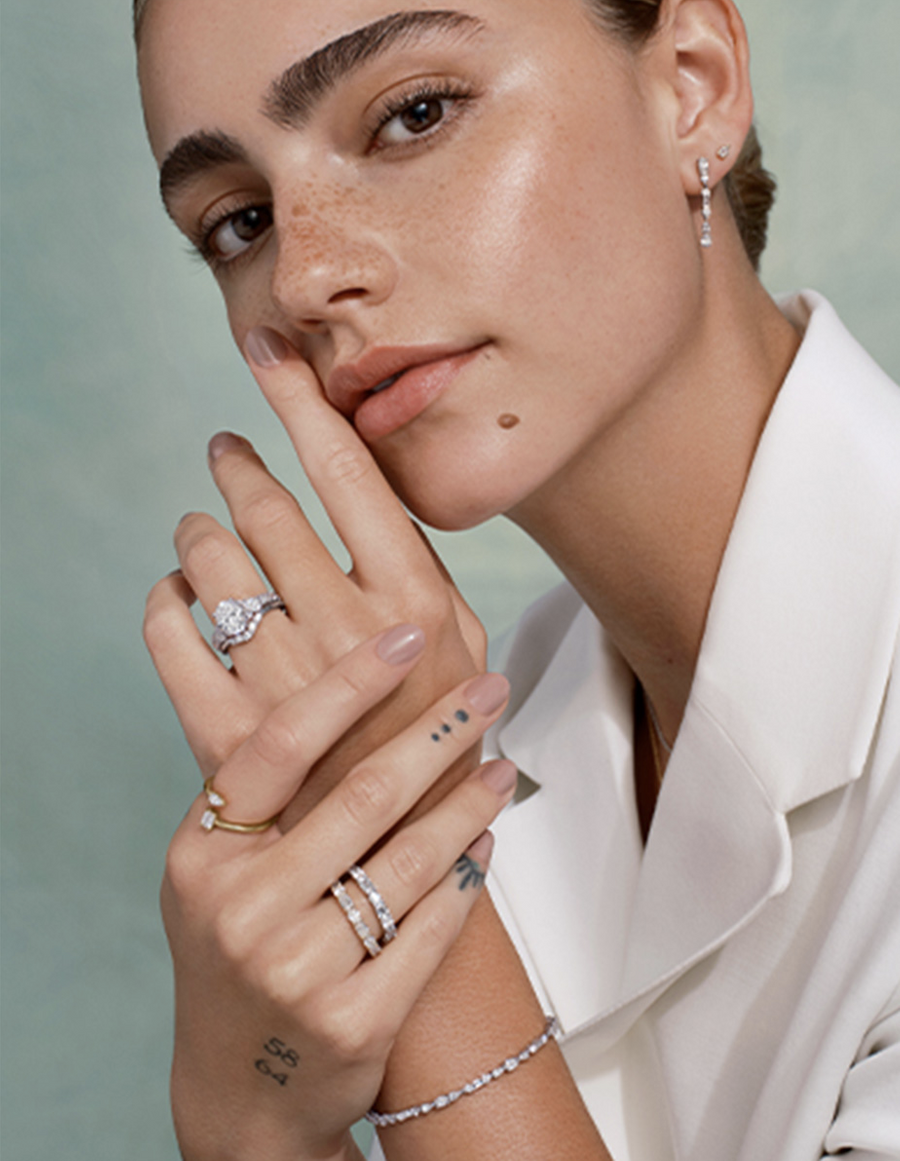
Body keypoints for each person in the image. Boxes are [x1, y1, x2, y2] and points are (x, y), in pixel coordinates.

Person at [136, 0, 900, 1158]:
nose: (305, 275)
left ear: (693, 84)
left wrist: (400, 860)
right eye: (240, 221)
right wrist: (253, 1126)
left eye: (412, 116)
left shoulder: (420, 770)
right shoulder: (509, 725)